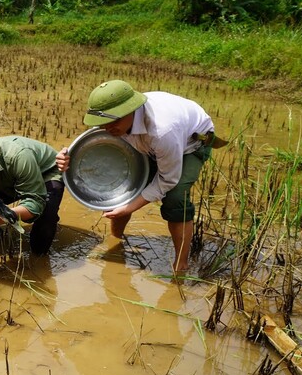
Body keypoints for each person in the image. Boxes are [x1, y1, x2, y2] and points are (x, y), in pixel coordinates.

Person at [56, 79, 220, 274]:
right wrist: (65, 157)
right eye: (103, 123)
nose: (107, 128)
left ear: (131, 110)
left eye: (113, 121)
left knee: (175, 198)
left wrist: (130, 207)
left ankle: (181, 264)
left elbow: (168, 180)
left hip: (190, 144)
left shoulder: (162, 131)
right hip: (151, 141)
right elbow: (87, 146)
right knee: (125, 188)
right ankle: (115, 240)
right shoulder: (115, 122)